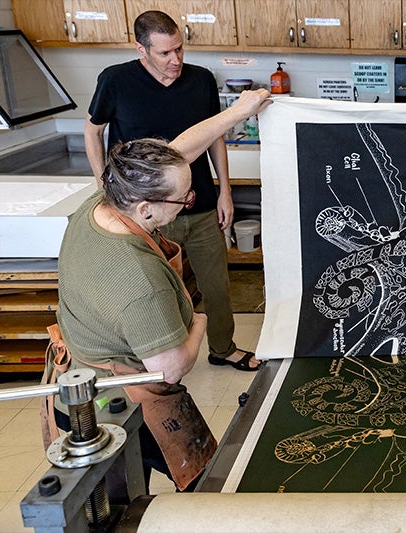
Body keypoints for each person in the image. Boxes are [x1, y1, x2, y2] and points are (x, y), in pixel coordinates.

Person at [51, 89, 273, 492]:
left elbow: (176, 154)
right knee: (189, 486)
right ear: (146, 208)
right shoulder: (140, 279)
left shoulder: (105, 201)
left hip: (77, 369)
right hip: (115, 401)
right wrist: (199, 323)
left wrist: (239, 112)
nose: (188, 202)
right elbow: (168, 367)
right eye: (183, 200)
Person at [83, 10, 260, 371]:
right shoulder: (115, 81)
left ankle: (223, 348)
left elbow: (214, 137)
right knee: (154, 292)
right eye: (164, 53)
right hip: (145, 212)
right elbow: (92, 130)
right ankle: (159, 360)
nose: (175, 60)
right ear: (141, 49)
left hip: (200, 205)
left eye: (179, 49)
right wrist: (105, 182)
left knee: (216, 286)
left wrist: (224, 190)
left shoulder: (201, 80)